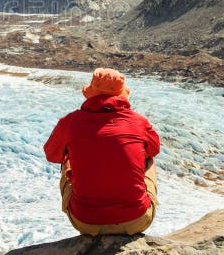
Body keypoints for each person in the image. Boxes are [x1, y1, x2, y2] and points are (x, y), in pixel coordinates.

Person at [44, 68, 160, 236]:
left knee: (66, 160)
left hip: (85, 222)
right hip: (136, 220)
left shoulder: (69, 122)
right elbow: (154, 149)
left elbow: (52, 155)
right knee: (149, 160)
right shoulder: (138, 121)